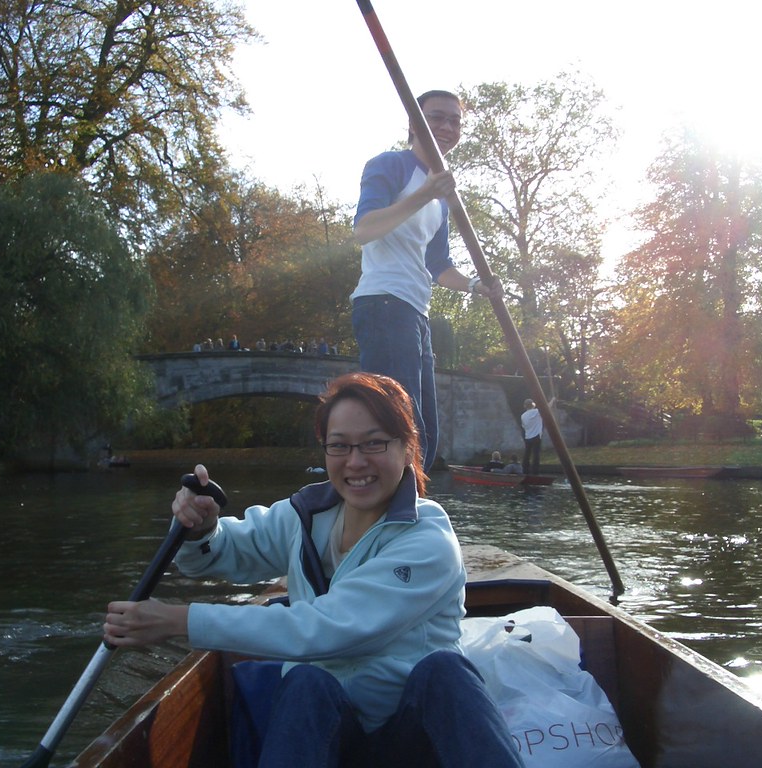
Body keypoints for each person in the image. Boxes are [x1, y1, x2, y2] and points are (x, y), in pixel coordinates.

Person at [102, 372, 523, 768]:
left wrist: (180, 620)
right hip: (328, 738)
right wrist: (201, 528)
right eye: (339, 445)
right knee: (306, 682)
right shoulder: (305, 515)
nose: (355, 462)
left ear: (407, 448)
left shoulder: (427, 539)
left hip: (414, 744)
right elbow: (221, 553)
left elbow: (328, 628)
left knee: (445, 672)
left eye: (374, 444)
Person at [351, 90, 502, 471]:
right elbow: (365, 230)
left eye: (454, 120)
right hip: (383, 303)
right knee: (398, 424)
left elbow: (438, 264)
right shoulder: (389, 166)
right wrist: (423, 194)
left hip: (416, 312)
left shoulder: (440, 198)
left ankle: (407, 510)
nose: (447, 127)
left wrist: (474, 286)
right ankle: (380, 511)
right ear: (414, 124)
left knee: (426, 435)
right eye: (436, 117)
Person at [521, 398, 542, 475]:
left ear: (525, 406)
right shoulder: (537, 412)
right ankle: (535, 473)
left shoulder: (523, 416)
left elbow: (524, 426)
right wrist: (553, 401)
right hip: (536, 436)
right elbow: (547, 408)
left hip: (528, 437)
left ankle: (525, 471)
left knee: (527, 454)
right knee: (536, 454)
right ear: (532, 405)